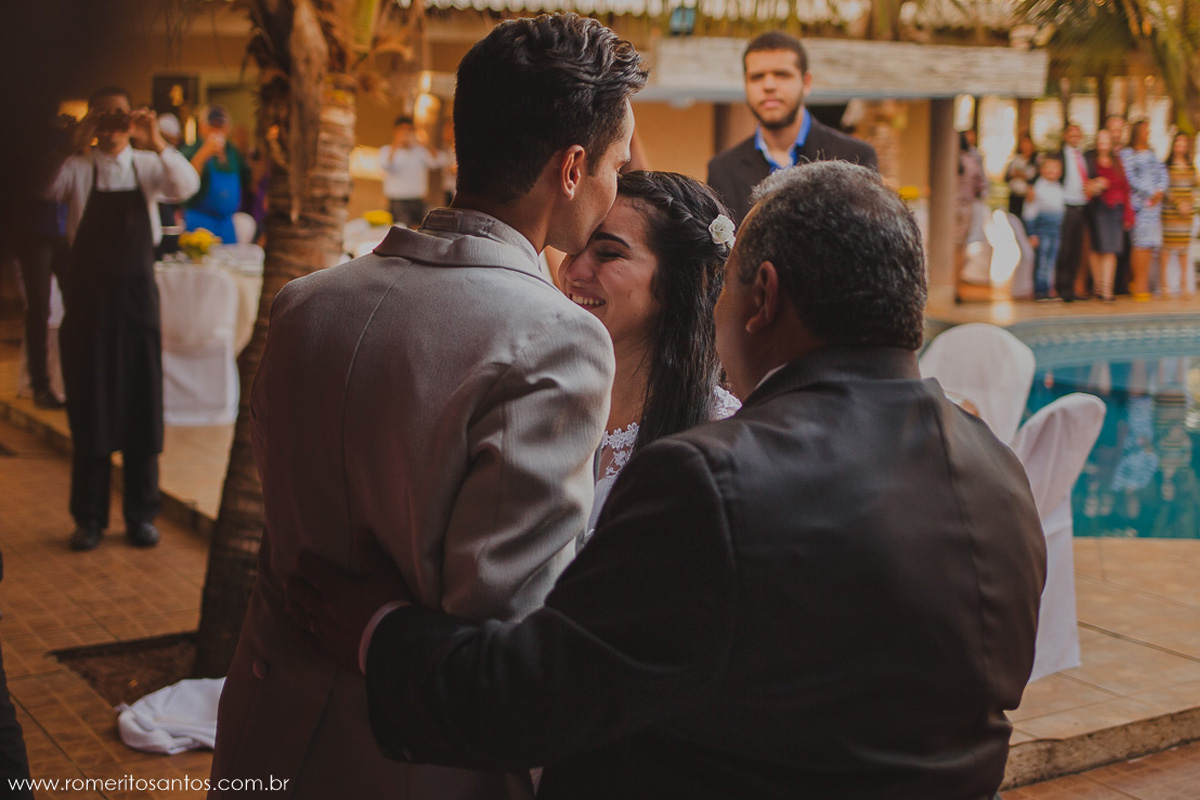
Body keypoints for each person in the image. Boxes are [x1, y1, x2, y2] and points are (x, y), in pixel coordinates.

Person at [287, 161, 1046, 800]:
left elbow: (524, 703)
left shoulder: (714, 477)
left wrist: (377, 627)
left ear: (765, 296)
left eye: (729, 287)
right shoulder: (1000, 474)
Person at [207, 14, 646, 800]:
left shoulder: (308, 302)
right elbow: (505, 628)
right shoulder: (555, 339)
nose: (620, 184)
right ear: (573, 168)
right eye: (619, 161)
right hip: (409, 759)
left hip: (263, 729)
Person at [44, 86, 200, 552]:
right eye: (103, 116)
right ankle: (89, 518)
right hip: (89, 307)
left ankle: (141, 515)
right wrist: (76, 141)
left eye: (119, 115)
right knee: (91, 409)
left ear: (132, 120)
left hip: (136, 307)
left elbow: (186, 186)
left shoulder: (149, 165)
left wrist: (156, 140)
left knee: (140, 407)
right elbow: (40, 186)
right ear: (93, 119)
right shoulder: (77, 167)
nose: (111, 124)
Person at [557, 170, 740, 534]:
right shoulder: (546, 404)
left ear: (680, 281)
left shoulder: (720, 436)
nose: (573, 272)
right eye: (573, 248)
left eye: (608, 253)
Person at [706, 30, 877, 224]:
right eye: (757, 77)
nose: (769, 85)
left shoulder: (855, 158)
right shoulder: (723, 170)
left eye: (782, 75)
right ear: (745, 85)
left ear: (806, 83)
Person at [17, 115, 72, 409]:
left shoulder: (74, 140)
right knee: (39, 308)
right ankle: (41, 385)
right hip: (34, 232)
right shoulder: (28, 139)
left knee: (77, 306)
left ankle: (75, 379)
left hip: (66, 234)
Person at [180, 105, 248, 245]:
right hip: (199, 223)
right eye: (212, 126)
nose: (216, 131)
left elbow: (247, 180)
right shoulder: (190, 150)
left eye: (220, 126)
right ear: (202, 127)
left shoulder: (232, 152)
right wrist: (204, 154)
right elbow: (184, 183)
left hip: (227, 225)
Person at [1120, 120, 1168, 301]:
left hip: (1153, 208)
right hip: (1139, 206)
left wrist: (1160, 191)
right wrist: (1150, 193)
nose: (1148, 132)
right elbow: (1129, 177)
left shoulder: (1152, 153)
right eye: (1145, 129)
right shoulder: (1127, 154)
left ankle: (1144, 283)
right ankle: (1138, 284)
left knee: (1149, 245)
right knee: (1139, 244)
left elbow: (1162, 172)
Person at [1086, 128, 1135, 302]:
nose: (1103, 144)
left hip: (1116, 209)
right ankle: (1099, 286)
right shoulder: (1091, 162)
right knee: (1097, 249)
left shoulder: (1117, 162)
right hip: (1098, 209)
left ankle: (1107, 289)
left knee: (1111, 249)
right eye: (1100, 140)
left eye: (1106, 140)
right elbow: (1086, 185)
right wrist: (1095, 185)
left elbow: (1126, 189)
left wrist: (1129, 215)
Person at [379, 115, 440, 227]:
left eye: (409, 130)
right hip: (398, 201)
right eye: (403, 130)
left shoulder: (419, 151)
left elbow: (436, 162)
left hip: (417, 200)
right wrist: (397, 144)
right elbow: (386, 165)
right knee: (401, 231)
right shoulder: (387, 150)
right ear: (396, 131)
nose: (406, 134)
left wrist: (426, 143)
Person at [1055, 122, 1092, 301]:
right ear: (1065, 136)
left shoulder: (1083, 157)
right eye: (1071, 134)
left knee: (1077, 250)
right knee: (1065, 248)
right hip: (1066, 205)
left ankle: (1073, 287)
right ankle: (1061, 287)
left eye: (1078, 134)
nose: (1074, 137)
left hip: (1081, 206)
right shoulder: (1059, 156)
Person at [1024, 156, 1066, 301]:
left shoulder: (1058, 188)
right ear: (1041, 170)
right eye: (1048, 168)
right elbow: (1029, 212)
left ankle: (1049, 288)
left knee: (1051, 261)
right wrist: (1032, 233)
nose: (1052, 171)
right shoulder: (1037, 189)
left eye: (1055, 168)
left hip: (1056, 229)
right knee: (1042, 261)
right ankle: (1040, 291)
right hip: (1042, 229)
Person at [1160, 131, 1197, 298]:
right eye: (1178, 143)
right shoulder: (1167, 166)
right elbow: (1165, 188)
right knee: (1167, 248)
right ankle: (1164, 285)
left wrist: (1188, 204)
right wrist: (1177, 204)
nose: (1181, 146)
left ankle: (1184, 285)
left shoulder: (1191, 167)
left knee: (1183, 249)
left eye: (1183, 143)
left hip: (1186, 214)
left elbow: (1194, 187)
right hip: (1170, 212)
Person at [1005, 132, 1038, 220]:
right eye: (1023, 143)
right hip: (1015, 195)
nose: (1025, 146)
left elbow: (1034, 177)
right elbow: (1007, 176)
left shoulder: (1036, 160)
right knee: (1014, 220)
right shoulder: (1016, 159)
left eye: (1027, 143)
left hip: (1027, 196)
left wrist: (1022, 175)